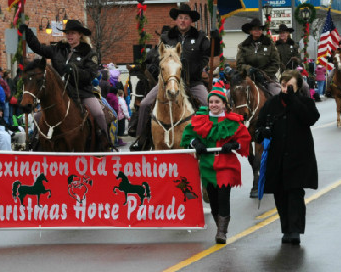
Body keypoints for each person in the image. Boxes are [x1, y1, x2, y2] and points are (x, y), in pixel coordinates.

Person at [131, 4, 216, 150]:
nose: (183, 21)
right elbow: (157, 57)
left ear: (191, 21)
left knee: (208, 104)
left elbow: (208, 56)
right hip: (167, 81)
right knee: (145, 104)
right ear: (176, 20)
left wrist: (198, 67)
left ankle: (211, 139)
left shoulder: (200, 37)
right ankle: (141, 138)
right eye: (180, 18)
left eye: (186, 18)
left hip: (193, 82)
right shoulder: (166, 37)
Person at [181, 84, 251, 244]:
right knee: (212, 199)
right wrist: (195, 143)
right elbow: (187, 137)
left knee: (223, 196)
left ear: (224, 104)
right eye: (211, 102)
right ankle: (219, 223)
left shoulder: (232, 120)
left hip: (226, 164)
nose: (213, 105)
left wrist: (234, 144)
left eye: (217, 102)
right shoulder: (200, 119)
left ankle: (222, 232)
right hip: (207, 164)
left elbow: (244, 140)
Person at [255, 70, 319, 245]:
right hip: (277, 157)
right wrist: (261, 132)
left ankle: (295, 230)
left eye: (289, 85)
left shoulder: (305, 102)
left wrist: (293, 100)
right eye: (283, 85)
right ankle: (286, 229)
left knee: (294, 193)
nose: (285, 88)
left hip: (299, 156)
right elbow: (260, 125)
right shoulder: (272, 104)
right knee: (280, 195)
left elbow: (311, 118)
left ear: (297, 86)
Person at [19, 20, 108, 137]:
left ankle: (105, 143)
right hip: (59, 94)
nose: (69, 36)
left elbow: (91, 75)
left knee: (98, 114)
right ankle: (36, 143)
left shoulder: (89, 53)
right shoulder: (58, 49)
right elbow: (39, 48)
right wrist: (28, 33)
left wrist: (74, 70)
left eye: (73, 33)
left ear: (80, 34)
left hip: (82, 93)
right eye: (68, 33)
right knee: (38, 117)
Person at [236, 18, 281, 97]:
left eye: (259, 29)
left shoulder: (270, 44)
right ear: (250, 31)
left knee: (278, 93)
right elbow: (239, 64)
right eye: (255, 29)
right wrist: (250, 69)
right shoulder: (243, 46)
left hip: (268, 78)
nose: (257, 31)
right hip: (248, 77)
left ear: (262, 31)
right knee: (231, 94)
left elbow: (276, 63)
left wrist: (263, 74)